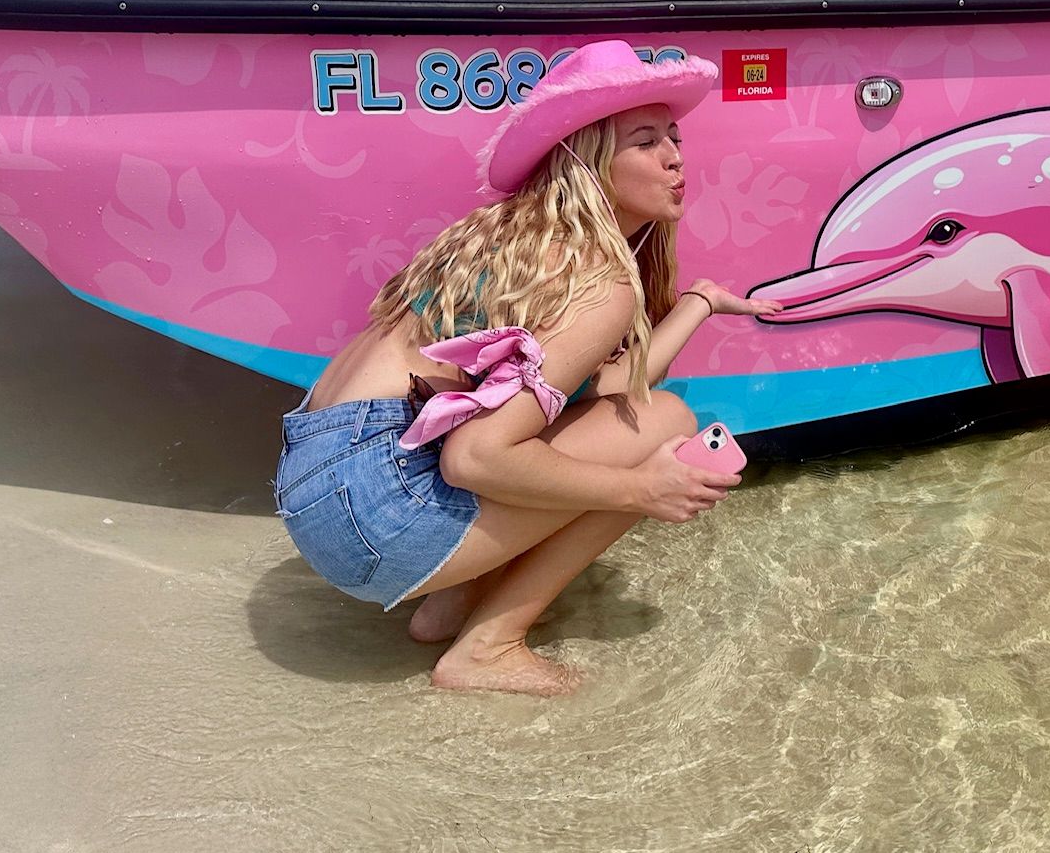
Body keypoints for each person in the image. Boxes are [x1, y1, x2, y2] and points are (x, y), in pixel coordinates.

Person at [272, 40, 779, 695]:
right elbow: (474, 460)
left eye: (674, 136)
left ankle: (449, 603)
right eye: (646, 140)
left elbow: (618, 390)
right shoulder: (598, 279)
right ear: (591, 162)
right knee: (669, 425)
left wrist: (700, 302)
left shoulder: (510, 236)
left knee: (592, 422)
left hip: (315, 487)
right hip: (379, 513)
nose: (676, 157)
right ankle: (489, 647)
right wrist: (641, 491)